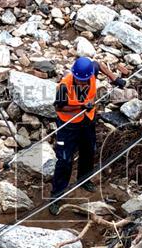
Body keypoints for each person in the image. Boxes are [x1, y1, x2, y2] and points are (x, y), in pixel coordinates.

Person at [48, 56, 125, 216]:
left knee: (88, 150)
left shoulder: (91, 72)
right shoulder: (64, 87)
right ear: (74, 76)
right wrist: (80, 106)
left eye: (85, 80)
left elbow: (99, 64)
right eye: (79, 80)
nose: (83, 83)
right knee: (64, 160)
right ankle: (57, 195)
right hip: (68, 125)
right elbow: (60, 108)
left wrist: (113, 77)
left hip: (87, 121)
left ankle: (84, 179)